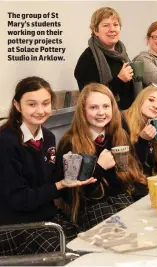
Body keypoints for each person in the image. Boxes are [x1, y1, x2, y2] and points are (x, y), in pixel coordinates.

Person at [0, 77, 96, 256]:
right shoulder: (6, 141)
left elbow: (51, 181)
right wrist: (59, 185)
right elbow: (19, 199)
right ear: (17, 105)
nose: (40, 110)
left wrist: (70, 171)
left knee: (87, 244)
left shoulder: (48, 137)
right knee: (67, 253)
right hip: (14, 225)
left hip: (46, 218)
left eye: (46, 103)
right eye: (32, 104)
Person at [57, 83, 147, 231]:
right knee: (120, 234)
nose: (101, 112)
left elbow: (128, 179)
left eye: (106, 106)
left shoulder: (119, 135)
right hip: (90, 207)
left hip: (119, 199)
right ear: (83, 111)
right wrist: (99, 168)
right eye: (94, 107)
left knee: (144, 226)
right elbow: (72, 196)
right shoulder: (71, 143)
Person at [74, 7, 134, 110]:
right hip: (103, 119)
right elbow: (91, 98)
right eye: (106, 25)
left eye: (116, 25)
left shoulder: (122, 55)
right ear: (95, 31)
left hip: (128, 117)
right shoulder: (87, 58)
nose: (112, 29)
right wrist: (119, 80)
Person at [124, 85, 157, 176]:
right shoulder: (123, 121)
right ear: (141, 100)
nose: (155, 106)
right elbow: (127, 165)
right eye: (151, 100)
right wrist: (142, 140)